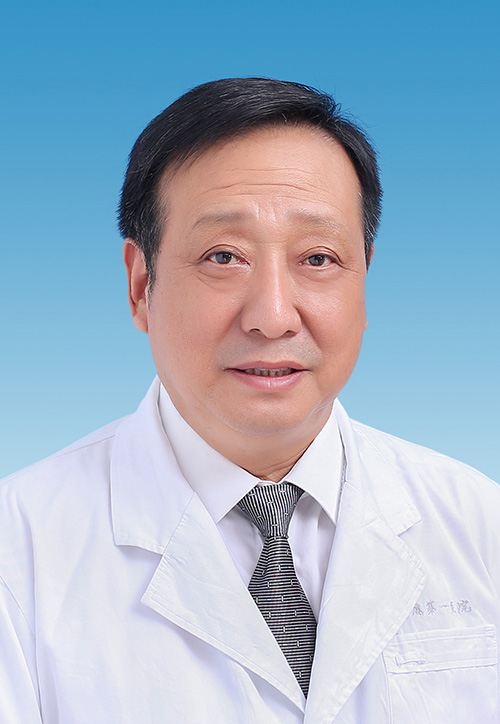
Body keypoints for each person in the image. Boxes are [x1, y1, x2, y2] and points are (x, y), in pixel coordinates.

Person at [0, 78, 499, 724]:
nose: (272, 316)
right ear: (141, 285)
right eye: (223, 256)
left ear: (364, 280)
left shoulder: (480, 525)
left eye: (318, 258)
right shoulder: (18, 552)